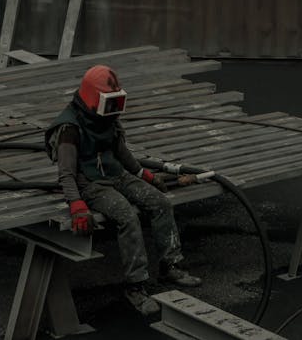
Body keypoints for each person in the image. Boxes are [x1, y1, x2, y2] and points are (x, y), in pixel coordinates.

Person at [44, 65, 201, 316]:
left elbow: (121, 152)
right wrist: (76, 204)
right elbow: (66, 173)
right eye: (110, 101)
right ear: (94, 99)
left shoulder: (107, 118)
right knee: (127, 216)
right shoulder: (69, 127)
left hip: (116, 174)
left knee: (160, 203)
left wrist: (144, 174)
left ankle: (171, 265)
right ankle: (135, 287)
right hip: (91, 184)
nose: (114, 108)